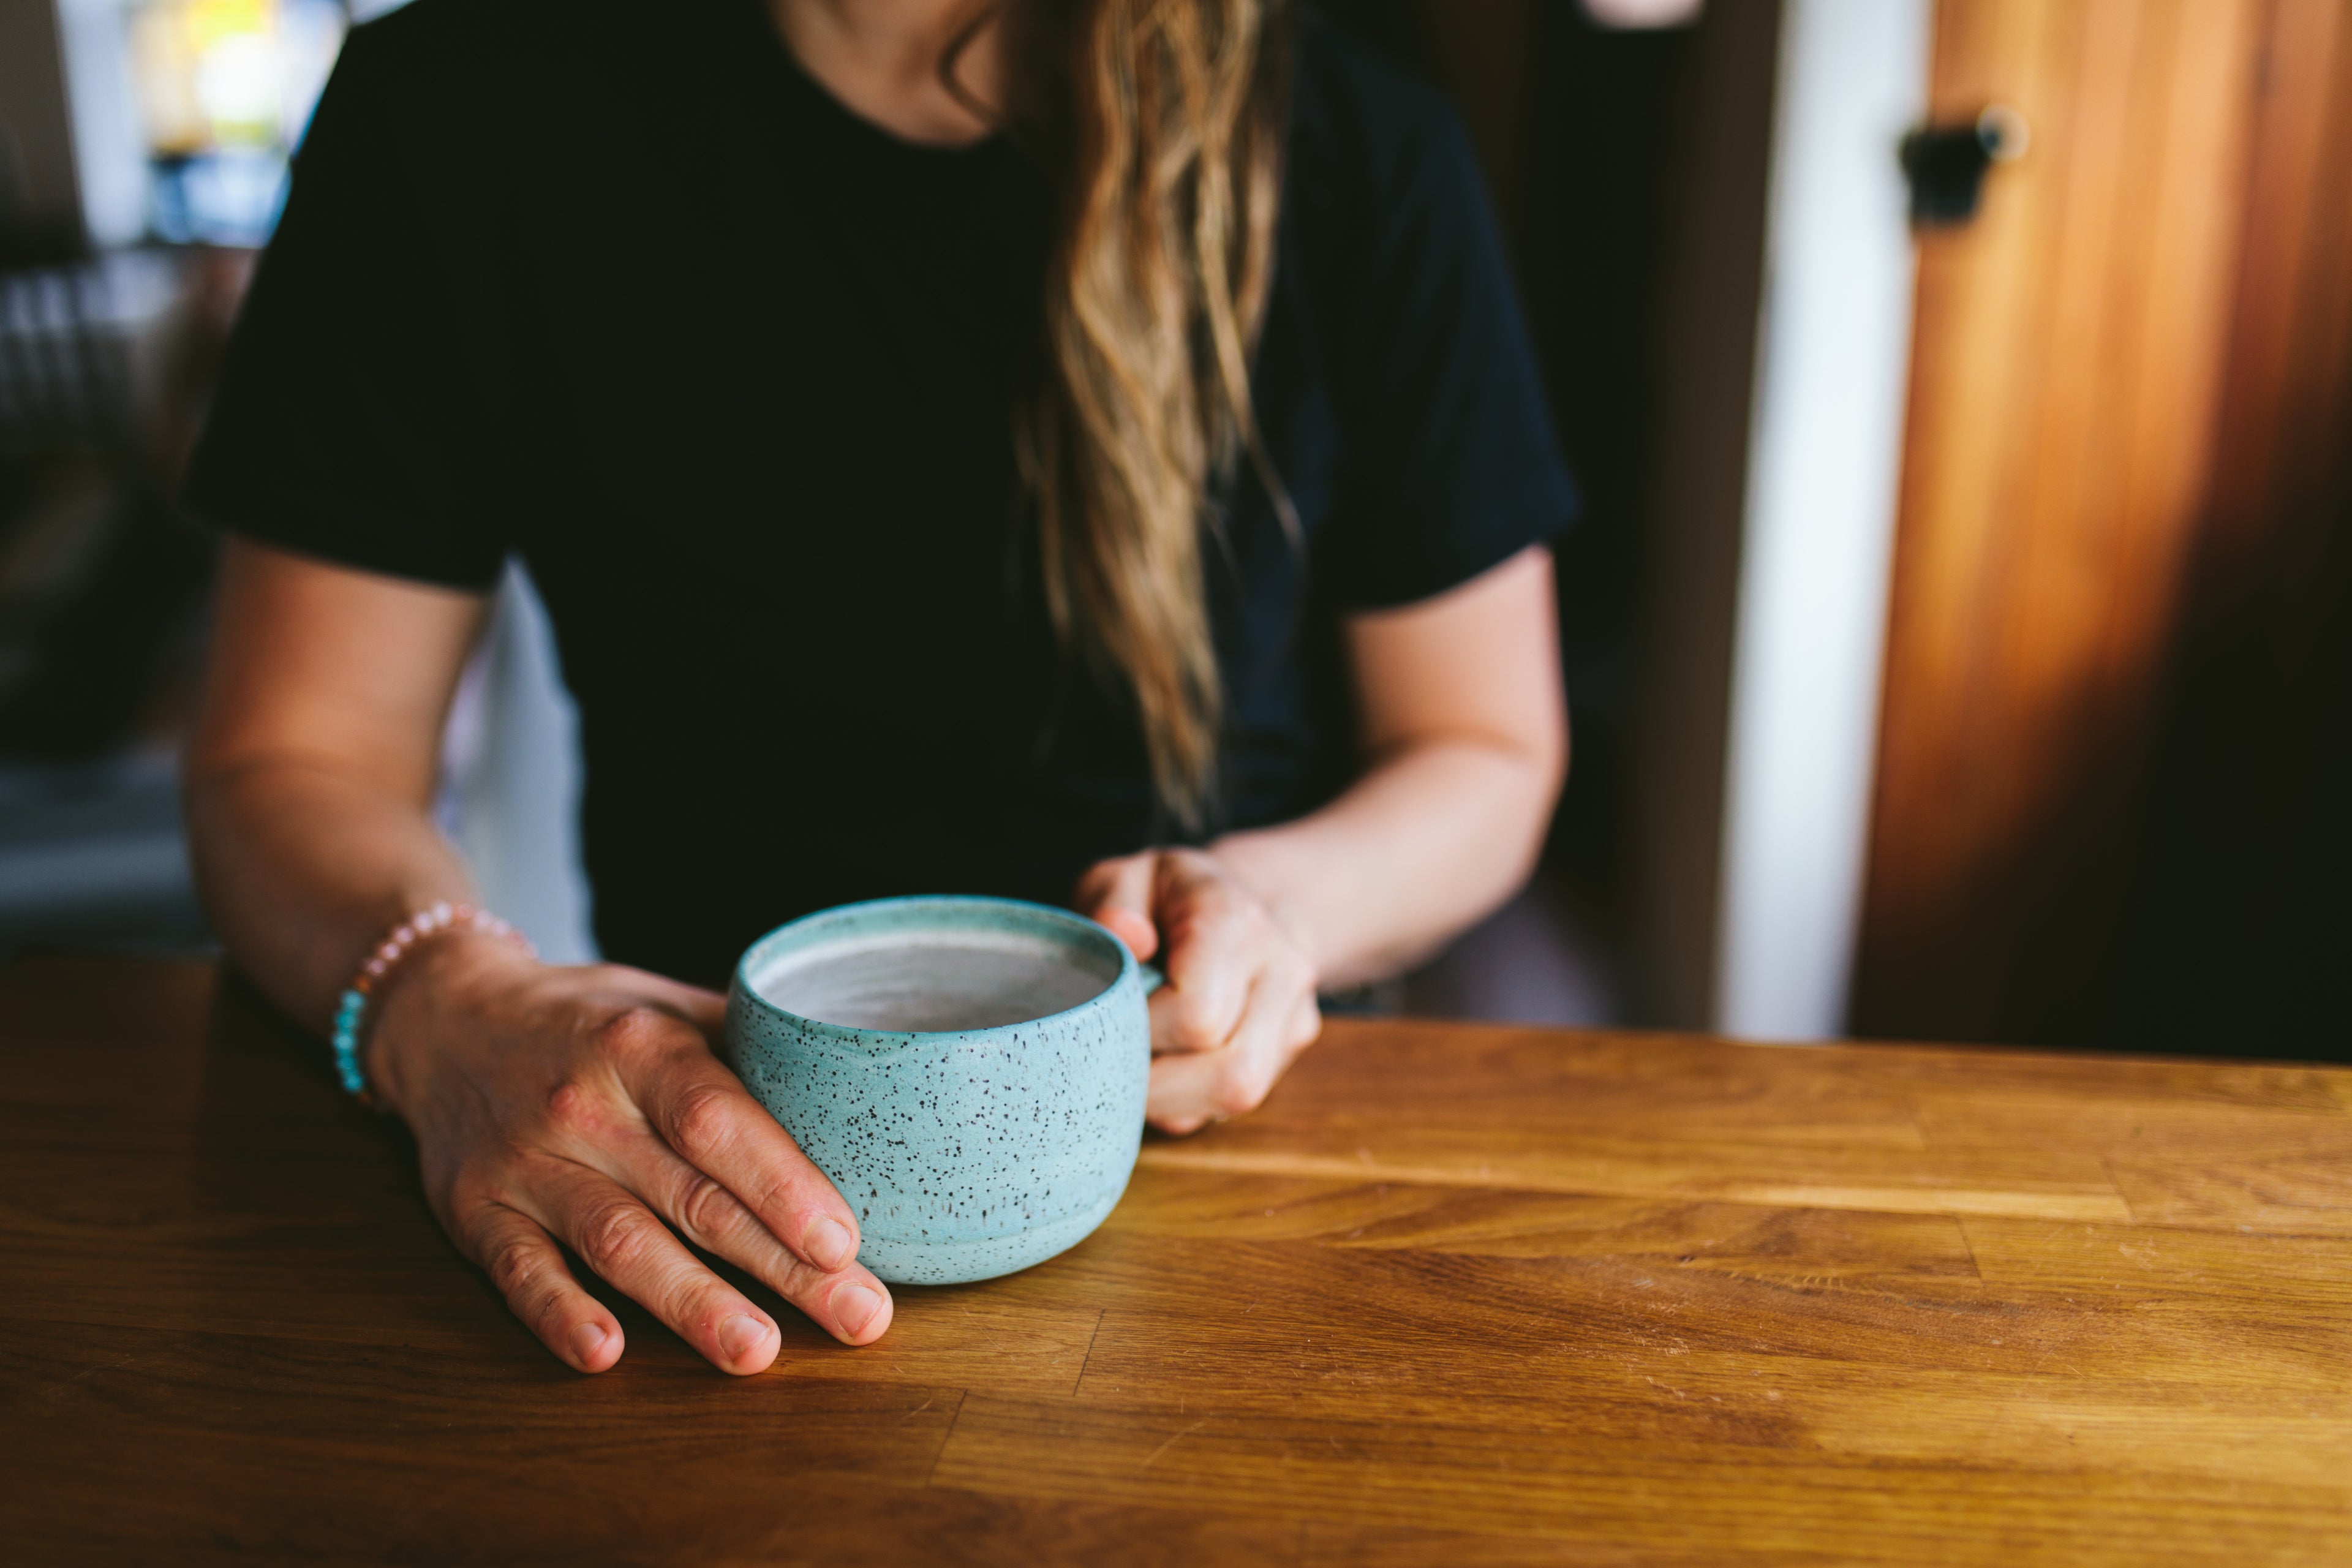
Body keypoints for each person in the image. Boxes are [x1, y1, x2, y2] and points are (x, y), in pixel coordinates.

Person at [182, 0, 1574, 1376]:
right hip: (689, 1215)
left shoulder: (1358, 147)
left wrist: (1280, 909)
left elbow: (1483, 742)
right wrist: (438, 1000)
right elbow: (294, 758)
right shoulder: (452, 102)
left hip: (1235, 1168)